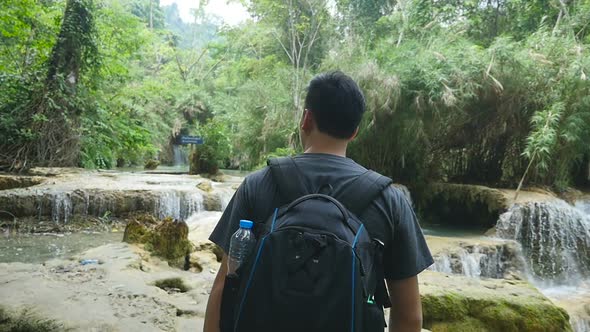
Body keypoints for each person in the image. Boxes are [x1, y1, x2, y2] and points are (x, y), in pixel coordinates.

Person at [203, 71, 433, 332]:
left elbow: (224, 285)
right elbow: (409, 316)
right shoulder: (389, 200)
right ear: (355, 131)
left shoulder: (258, 185)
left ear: (306, 119)